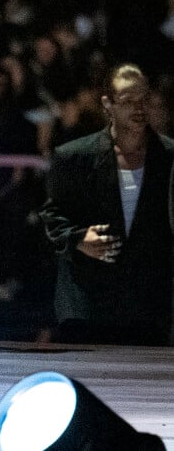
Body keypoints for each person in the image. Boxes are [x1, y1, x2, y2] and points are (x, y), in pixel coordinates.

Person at [39, 63, 174, 345]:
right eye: (127, 102)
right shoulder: (74, 157)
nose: (138, 109)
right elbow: (51, 217)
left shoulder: (168, 156)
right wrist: (78, 239)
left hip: (150, 303)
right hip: (90, 302)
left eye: (144, 100)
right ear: (107, 105)